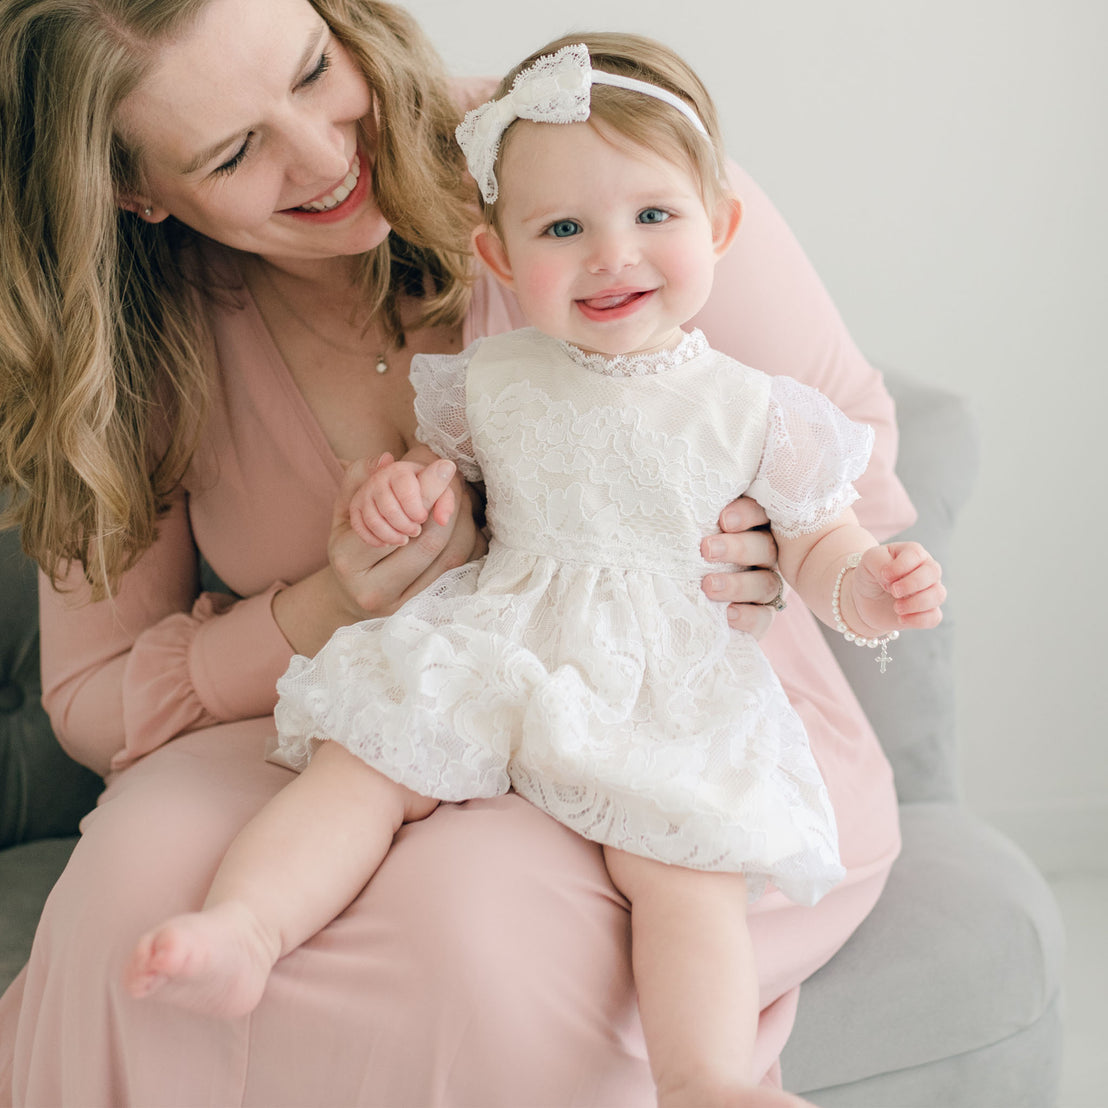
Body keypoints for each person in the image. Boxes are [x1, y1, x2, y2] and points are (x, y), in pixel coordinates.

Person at [0, 2, 918, 1105]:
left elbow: (843, 468)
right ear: (136, 191)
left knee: (467, 937)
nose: (328, 156)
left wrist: (750, 543)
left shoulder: (580, 151)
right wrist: (329, 604)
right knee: (129, 898)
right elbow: (98, 696)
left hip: (665, 708)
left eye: (311, 72)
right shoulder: (134, 330)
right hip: (390, 696)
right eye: (234, 151)